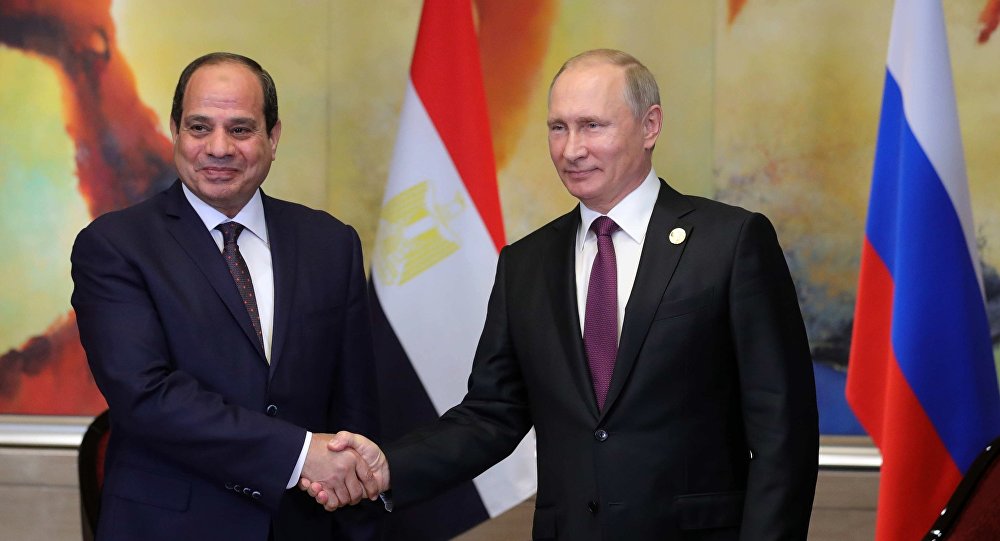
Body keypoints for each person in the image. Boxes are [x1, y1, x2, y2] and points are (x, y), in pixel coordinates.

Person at [308, 49, 819, 540]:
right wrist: (389, 466)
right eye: (558, 127)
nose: (571, 149)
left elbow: (783, 432)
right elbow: (492, 413)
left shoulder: (730, 242)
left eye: (592, 125)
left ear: (650, 126)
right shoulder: (526, 264)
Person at [71, 52, 381, 541]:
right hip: (169, 528)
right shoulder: (115, 246)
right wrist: (300, 454)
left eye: (240, 129)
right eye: (199, 127)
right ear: (175, 131)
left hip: (304, 527)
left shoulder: (330, 244)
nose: (219, 148)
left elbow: (355, 405)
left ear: (273, 137)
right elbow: (146, 396)